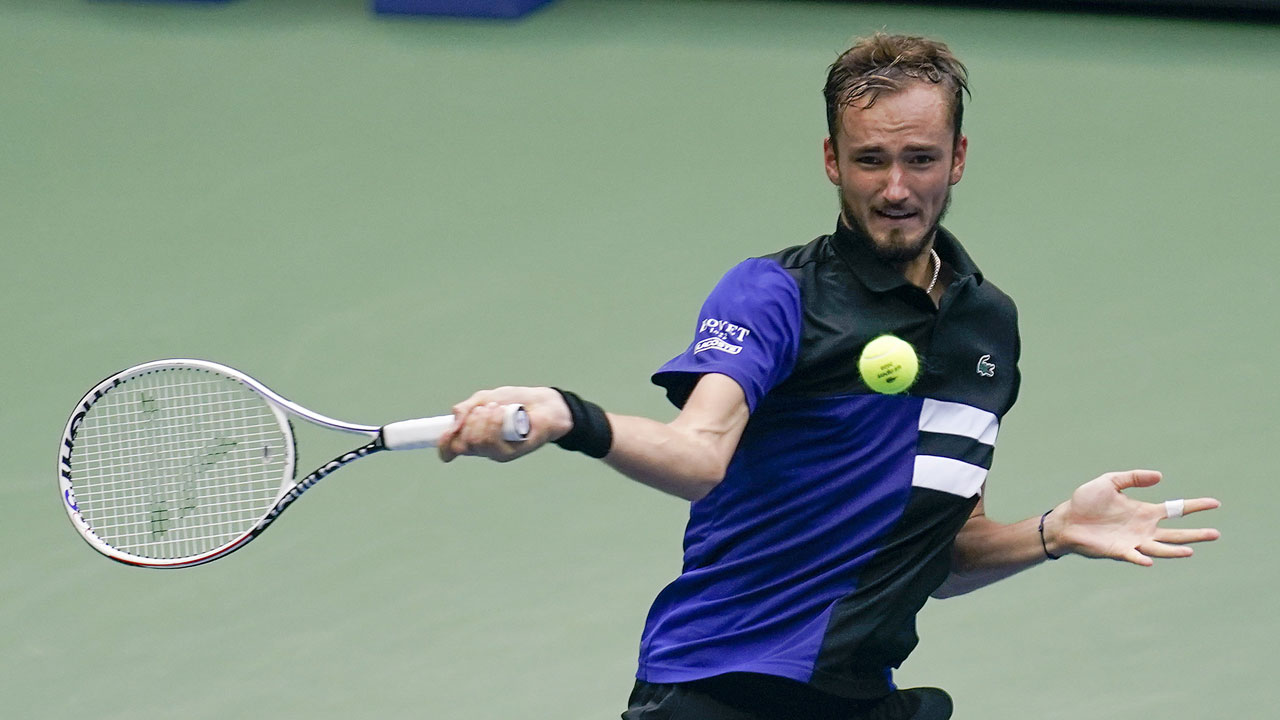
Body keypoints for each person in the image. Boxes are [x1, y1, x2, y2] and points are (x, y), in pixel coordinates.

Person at [436, 32, 1221, 720]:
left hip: (857, 691)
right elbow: (699, 454)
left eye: (920, 159)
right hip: (723, 685)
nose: (896, 189)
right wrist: (569, 416)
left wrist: (1054, 532)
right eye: (869, 160)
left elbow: (942, 554)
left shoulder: (988, 325)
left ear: (959, 157)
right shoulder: (774, 294)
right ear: (830, 160)